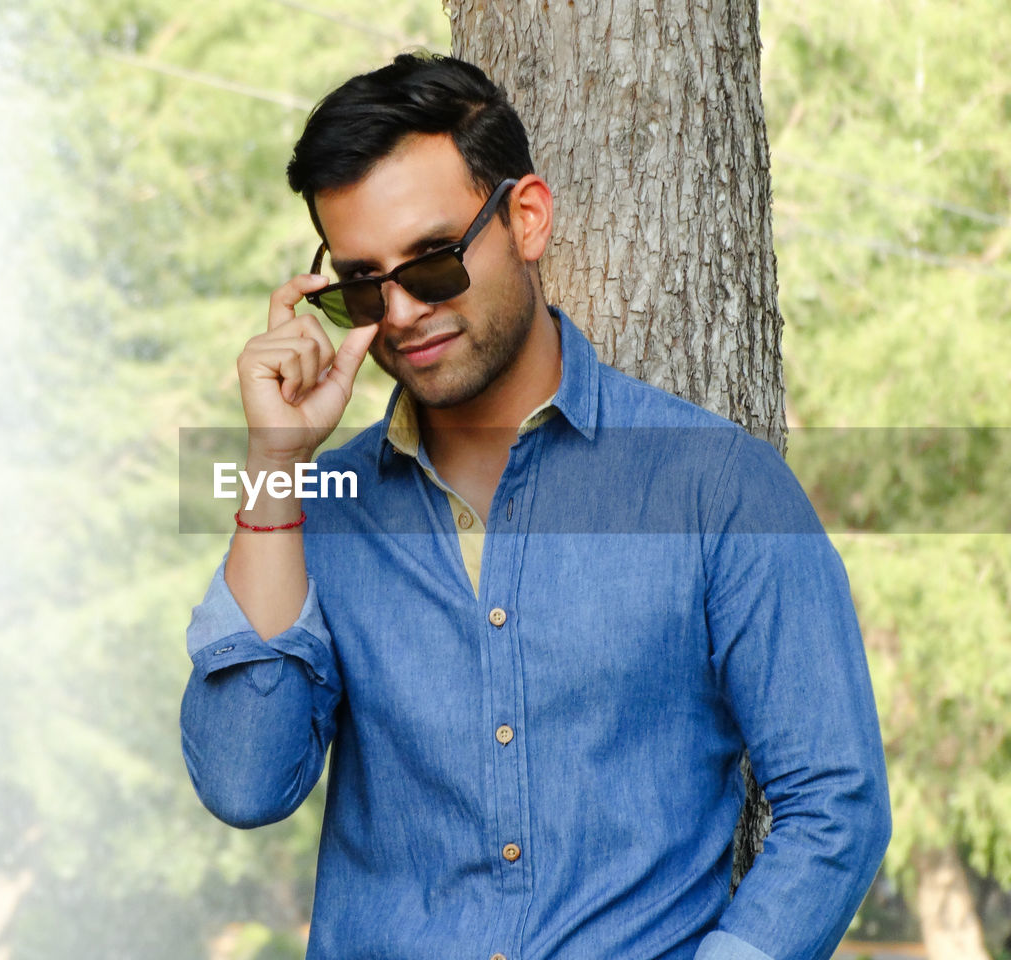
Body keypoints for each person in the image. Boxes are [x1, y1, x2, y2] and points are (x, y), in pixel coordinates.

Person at [181, 52, 890, 960]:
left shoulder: (716, 489)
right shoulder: (319, 509)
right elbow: (246, 782)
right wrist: (275, 462)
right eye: (362, 285)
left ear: (526, 218)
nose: (399, 313)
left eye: (433, 263)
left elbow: (836, 805)